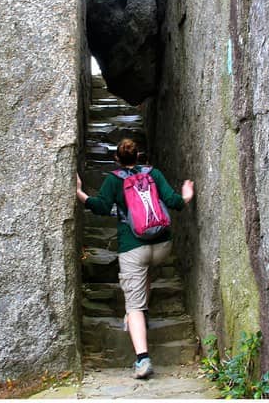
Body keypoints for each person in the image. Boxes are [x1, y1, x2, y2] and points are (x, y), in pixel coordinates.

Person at [76, 138, 194, 380]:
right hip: (162, 246)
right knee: (145, 271)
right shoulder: (154, 174)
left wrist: (80, 193)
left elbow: (100, 207)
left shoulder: (113, 180)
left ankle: (142, 358)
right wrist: (187, 196)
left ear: (116, 159)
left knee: (133, 306)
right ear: (138, 155)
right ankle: (144, 312)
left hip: (133, 248)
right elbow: (173, 201)